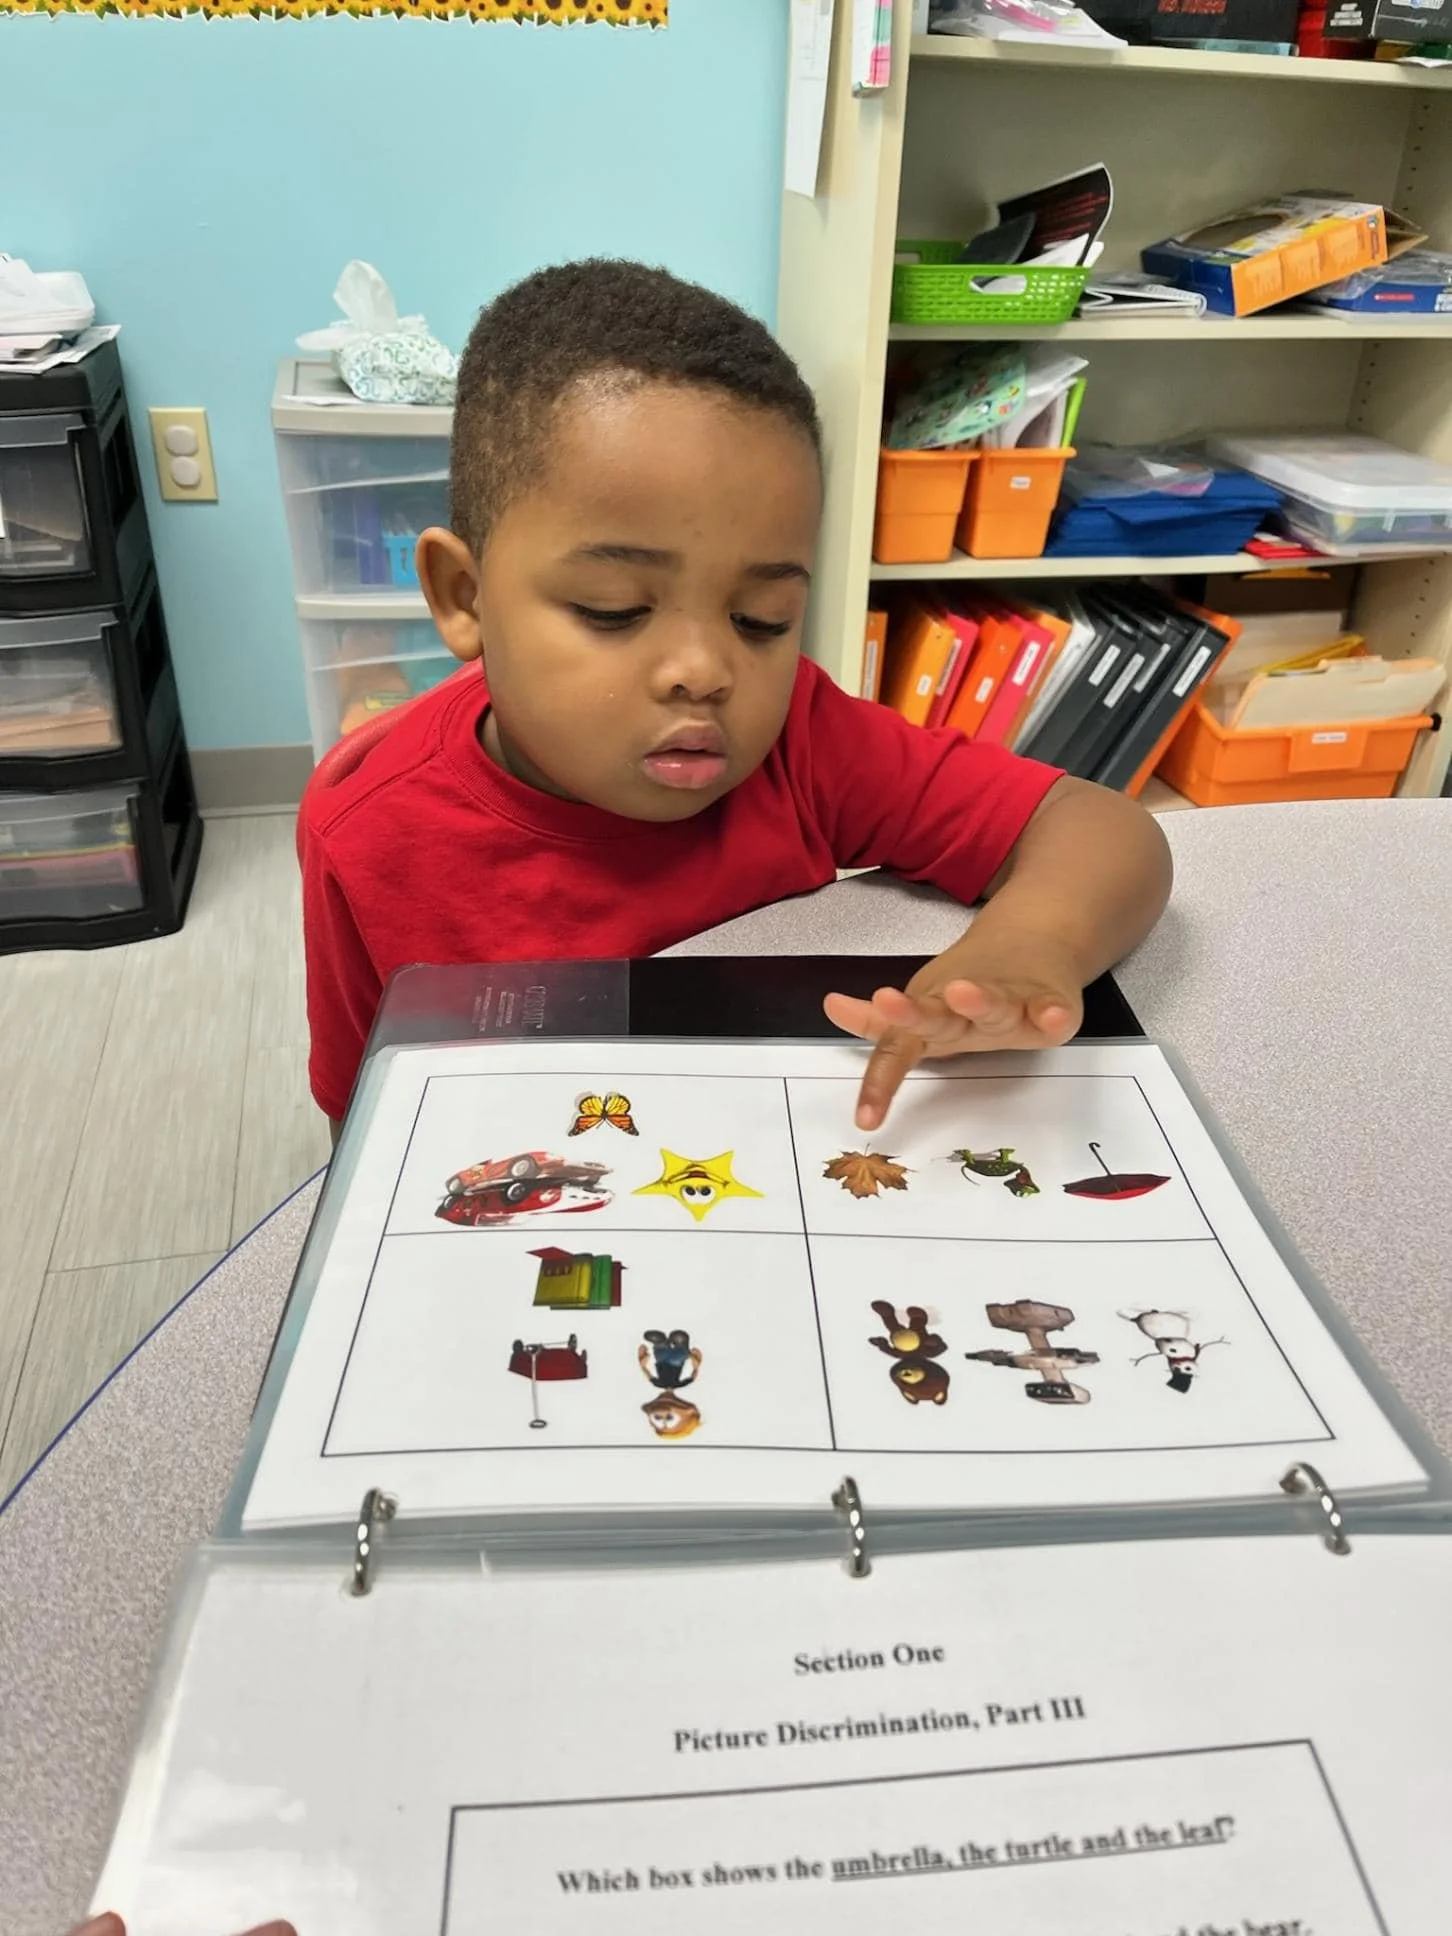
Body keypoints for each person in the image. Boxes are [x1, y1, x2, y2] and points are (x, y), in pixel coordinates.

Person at [301, 260, 1170, 1135]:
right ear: (463, 595)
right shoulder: (367, 832)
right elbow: (365, 1120)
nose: (704, 669)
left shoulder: (802, 738)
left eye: (762, 618)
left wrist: (1031, 945)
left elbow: (1100, 829)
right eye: (616, 610)